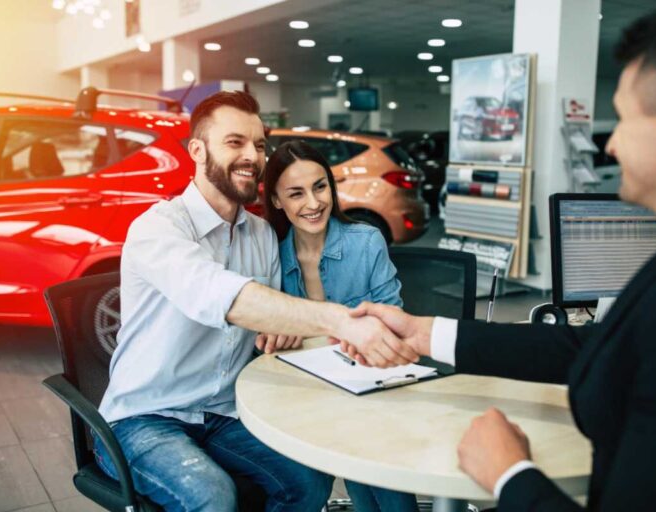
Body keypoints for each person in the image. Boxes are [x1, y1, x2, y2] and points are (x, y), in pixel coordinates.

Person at [341, 2, 656, 510]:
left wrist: (510, 474)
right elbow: (589, 346)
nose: (609, 145)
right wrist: (423, 333)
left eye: (626, 117)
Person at [94, 91, 420, 512]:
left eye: (260, 144)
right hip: (145, 417)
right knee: (212, 494)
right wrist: (341, 321)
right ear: (197, 150)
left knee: (308, 479)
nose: (253, 155)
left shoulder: (261, 234)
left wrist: (277, 328)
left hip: (223, 413)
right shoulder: (158, 228)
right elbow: (225, 297)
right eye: (235, 142)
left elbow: (269, 322)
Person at [260, 140, 419, 512]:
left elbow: (390, 323)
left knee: (369, 448)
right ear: (278, 201)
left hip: (368, 386)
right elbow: (263, 336)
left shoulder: (366, 242)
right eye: (296, 194)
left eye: (320, 187)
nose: (313, 204)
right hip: (303, 396)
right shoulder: (269, 258)